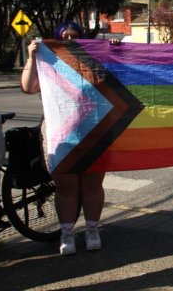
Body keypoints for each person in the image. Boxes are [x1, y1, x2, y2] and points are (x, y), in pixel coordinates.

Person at [21, 20, 118, 256]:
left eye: (74, 35)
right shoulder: (48, 59)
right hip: (60, 133)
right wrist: (33, 57)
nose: (69, 39)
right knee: (66, 185)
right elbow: (28, 86)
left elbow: (118, 81)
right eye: (64, 36)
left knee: (92, 183)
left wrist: (115, 52)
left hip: (94, 131)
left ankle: (92, 230)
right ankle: (67, 234)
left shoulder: (92, 60)